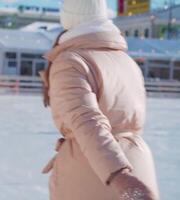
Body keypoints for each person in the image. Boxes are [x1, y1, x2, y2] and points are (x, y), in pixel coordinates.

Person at [39, 0, 160, 199]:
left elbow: (88, 124)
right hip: (137, 165)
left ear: (69, 15)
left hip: (95, 175)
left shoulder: (71, 61)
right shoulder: (126, 61)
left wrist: (119, 175)